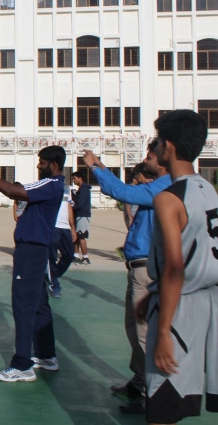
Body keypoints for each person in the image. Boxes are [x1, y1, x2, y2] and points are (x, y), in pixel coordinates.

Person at [83, 142, 172, 415]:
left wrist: (95, 166)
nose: (145, 160)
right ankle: (139, 381)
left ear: (163, 160)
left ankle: (150, 394)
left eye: (150, 156)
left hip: (146, 270)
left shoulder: (162, 188)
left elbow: (121, 191)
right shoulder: (158, 187)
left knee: (144, 334)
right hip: (138, 268)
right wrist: (101, 165)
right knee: (134, 329)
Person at [142, 110, 217, 424]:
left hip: (179, 309)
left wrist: (162, 331)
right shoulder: (208, 188)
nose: (156, 146)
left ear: (168, 147)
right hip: (209, 302)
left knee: (162, 406)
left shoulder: (168, 199)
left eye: (158, 141)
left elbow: (175, 268)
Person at [0, 146, 65, 382]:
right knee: (39, 305)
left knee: (23, 306)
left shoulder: (49, 184)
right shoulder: (54, 186)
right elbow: (14, 189)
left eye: (42, 162)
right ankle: (46, 355)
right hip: (37, 250)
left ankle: (22, 365)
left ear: (54, 165)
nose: (38, 166)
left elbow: (12, 190)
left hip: (31, 251)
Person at [47, 184, 75, 299]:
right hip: (53, 227)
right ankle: (54, 285)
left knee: (69, 255)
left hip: (65, 228)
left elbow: (69, 208)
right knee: (52, 257)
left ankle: (53, 275)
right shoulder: (48, 186)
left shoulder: (67, 188)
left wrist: (73, 228)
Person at [71, 171, 92, 265]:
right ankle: (76, 256)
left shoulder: (84, 189)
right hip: (78, 215)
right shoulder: (80, 189)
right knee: (76, 236)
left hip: (83, 215)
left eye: (74, 178)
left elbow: (80, 204)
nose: (73, 180)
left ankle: (85, 257)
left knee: (81, 236)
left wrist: (70, 207)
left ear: (80, 178)